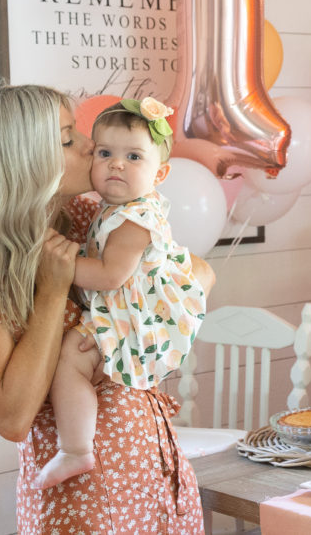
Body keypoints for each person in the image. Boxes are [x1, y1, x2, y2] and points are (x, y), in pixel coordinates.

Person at [0, 85, 212, 534]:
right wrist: (53, 293)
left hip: (153, 468)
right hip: (86, 501)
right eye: (69, 138)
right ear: (23, 161)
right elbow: (12, 417)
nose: (91, 146)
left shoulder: (81, 216)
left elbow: (200, 273)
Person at [34, 97, 208, 490]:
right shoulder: (110, 209)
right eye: (105, 152)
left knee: (70, 362)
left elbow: (111, 275)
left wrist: (59, 264)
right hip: (122, 309)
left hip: (130, 317)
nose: (116, 163)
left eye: (133, 156)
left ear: (159, 173)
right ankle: (77, 446)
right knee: (71, 361)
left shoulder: (133, 219)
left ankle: (76, 449)